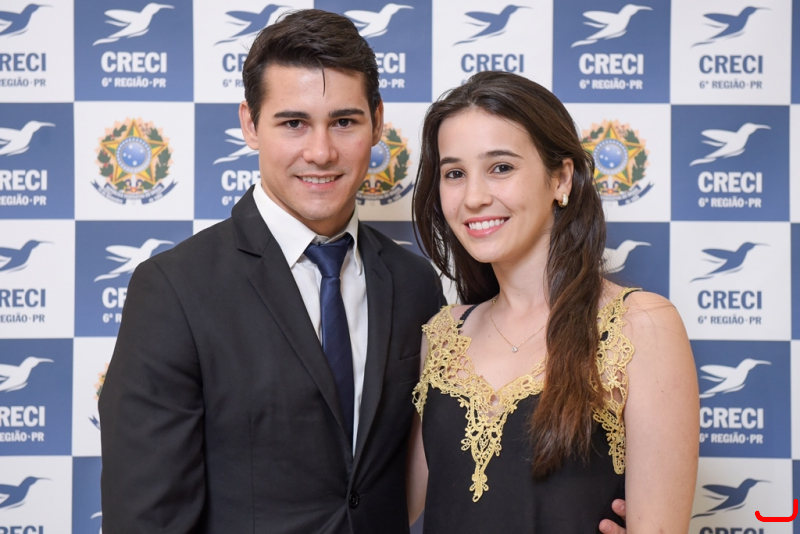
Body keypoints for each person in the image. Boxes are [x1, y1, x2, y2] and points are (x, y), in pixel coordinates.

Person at [98, 10, 446, 533]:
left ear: (377, 122)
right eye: (293, 123)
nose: (321, 152)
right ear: (250, 124)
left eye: (344, 122)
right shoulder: (173, 290)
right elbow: (146, 520)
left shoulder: (415, 283)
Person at [408, 71, 699, 532]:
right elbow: (385, 504)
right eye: (454, 174)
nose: (474, 197)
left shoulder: (640, 326)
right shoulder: (442, 334)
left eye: (501, 167)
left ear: (561, 178)